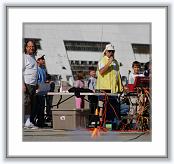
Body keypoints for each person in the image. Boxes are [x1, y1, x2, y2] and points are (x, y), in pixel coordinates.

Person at [96, 43, 123, 126]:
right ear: (106, 52)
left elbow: (118, 75)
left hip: (114, 89)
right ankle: (102, 123)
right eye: (109, 51)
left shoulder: (116, 62)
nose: (111, 53)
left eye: (113, 51)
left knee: (113, 108)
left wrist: (121, 87)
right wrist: (109, 63)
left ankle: (112, 124)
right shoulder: (102, 61)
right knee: (103, 107)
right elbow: (101, 72)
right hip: (104, 88)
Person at [23, 40, 38, 129]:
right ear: (26, 47)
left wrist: (36, 84)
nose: (31, 48)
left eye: (32, 46)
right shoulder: (23, 57)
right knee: (25, 103)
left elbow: (34, 72)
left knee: (29, 104)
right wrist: (22, 84)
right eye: (29, 46)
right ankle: (25, 122)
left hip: (32, 84)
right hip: (26, 83)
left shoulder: (33, 57)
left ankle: (27, 122)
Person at [34, 53, 49, 127]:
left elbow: (44, 80)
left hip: (43, 90)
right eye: (42, 59)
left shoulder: (43, 69)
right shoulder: (35, 69)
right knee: (37, 108)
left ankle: (41, 122)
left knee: (42, 107)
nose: (43, 60)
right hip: (37, 91)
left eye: (43, 59)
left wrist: (47, 82)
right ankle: (35, 121)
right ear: (37, 60)